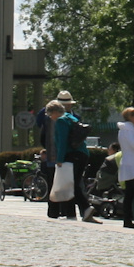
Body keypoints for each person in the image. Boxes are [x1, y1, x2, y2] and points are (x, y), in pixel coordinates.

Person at [50, 92, 101, 223]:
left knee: (72, 184)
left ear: (56, 111)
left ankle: (85, 208)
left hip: (71, 155)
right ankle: (82, 211)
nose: (51, 118)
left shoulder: (61, 121)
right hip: (82, 154)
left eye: (51, 115)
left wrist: (59, 159)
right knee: (75, 183)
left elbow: (62, 141)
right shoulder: (72, 118)